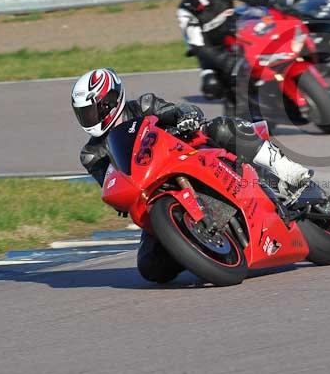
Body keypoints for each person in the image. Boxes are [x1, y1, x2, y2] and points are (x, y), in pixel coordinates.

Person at [71, 68, 313, 283]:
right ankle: (196, 250)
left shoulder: (144, 105)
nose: (90, 118)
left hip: (192, 154)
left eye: (92, 110)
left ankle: (288, 171)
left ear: (110, 100)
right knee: (150, 269)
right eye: (84, 113)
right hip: (155, 192)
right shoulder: (92, 154)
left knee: (220, 127)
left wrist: (186, 116)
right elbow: (109, 182)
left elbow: (180, 110)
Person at [174, 0, 264, 100]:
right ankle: (243, 109)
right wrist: (226, 63)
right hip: (213, 51)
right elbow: (199, 47)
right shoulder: (184, 11)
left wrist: (269, 8)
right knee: (212, 87)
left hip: (238, 36)